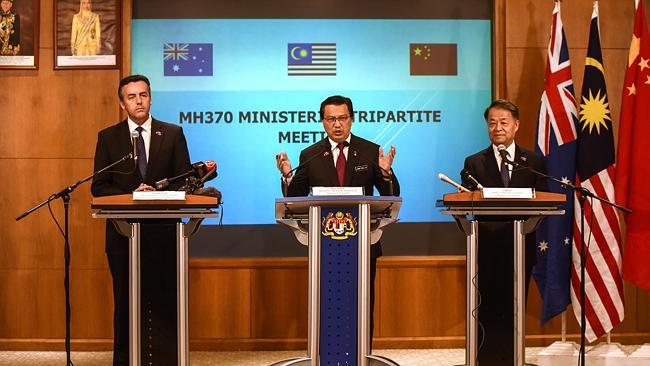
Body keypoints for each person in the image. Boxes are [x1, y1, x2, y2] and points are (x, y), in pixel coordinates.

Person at [275, 95, 400, 347]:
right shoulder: (310, 154)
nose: (337, 124)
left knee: (363, 302)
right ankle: (326, 354)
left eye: (342, 118)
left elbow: (390, 194)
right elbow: (295, 198)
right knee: (327, 302)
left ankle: (362, 353)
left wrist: (385, 172)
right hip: (325, 244)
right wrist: (288, 176)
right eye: (331, 119)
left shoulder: (369, 150)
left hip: (363, 241)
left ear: (352, 119)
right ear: (322, 122)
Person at [91, 75, 191, 366]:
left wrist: (157, 190)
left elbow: (185, 181)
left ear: (150, 98)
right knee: (125, 303)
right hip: (123, 236)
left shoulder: (172, 133)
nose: (139, 101)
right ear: (122, 104)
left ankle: (167, 360)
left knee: (164, 302)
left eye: (143, 95)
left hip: (164, 235)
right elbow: (100, 187)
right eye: (132, 96)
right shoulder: (108, 137)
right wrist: (132, 192)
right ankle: (124, 361)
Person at [461, 99, 547, 366]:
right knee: (488, 307)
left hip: (521, 243)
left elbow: (544, 199)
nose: (497, 128)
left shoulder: (532, 161)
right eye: (492, 123)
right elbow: (465, 199)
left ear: (516, 125)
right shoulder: (474, 162)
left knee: (515, 306)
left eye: (503, 122)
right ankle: (486, 360)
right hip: (486, 247)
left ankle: (514, 359)